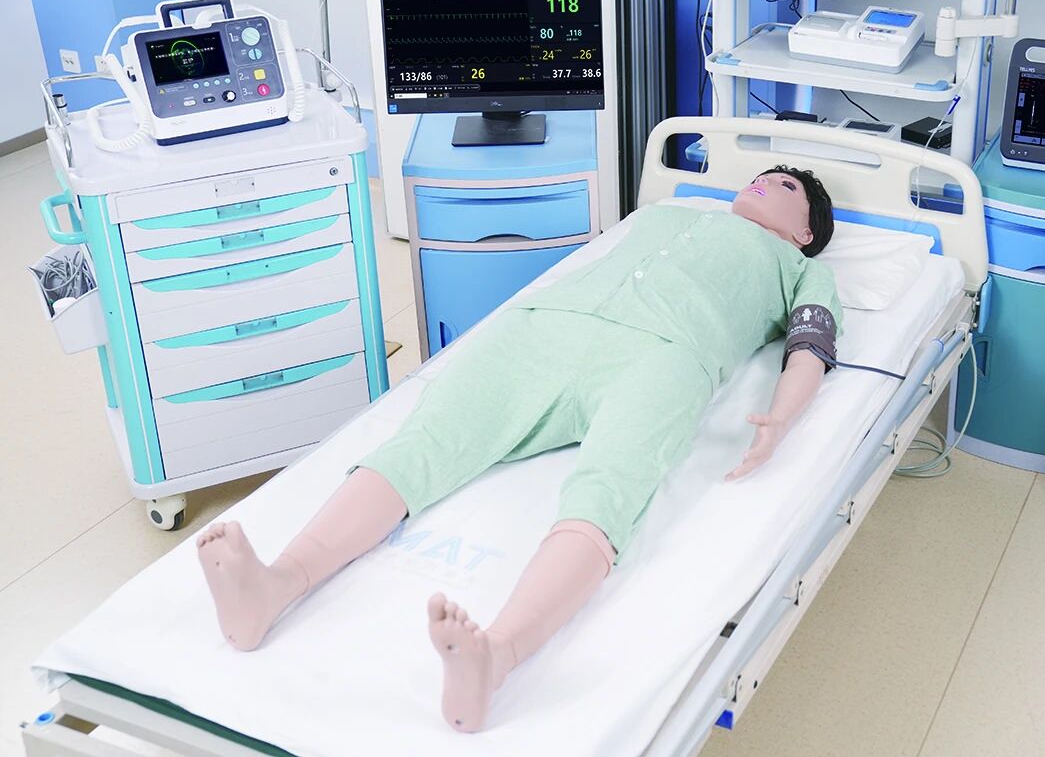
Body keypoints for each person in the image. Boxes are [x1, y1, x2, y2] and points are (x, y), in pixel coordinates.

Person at [195, 166, 840, 732]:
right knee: (426, 442)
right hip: (544, 328)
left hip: (666, 354)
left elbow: (809, 348)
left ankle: (494, 655)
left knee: (608, 490)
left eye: (784, 184)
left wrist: (782, 418)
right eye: (758, 175)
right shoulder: (661, 214)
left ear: (806, 230)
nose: (761, 181)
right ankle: (274, 586)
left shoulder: (802, 270)